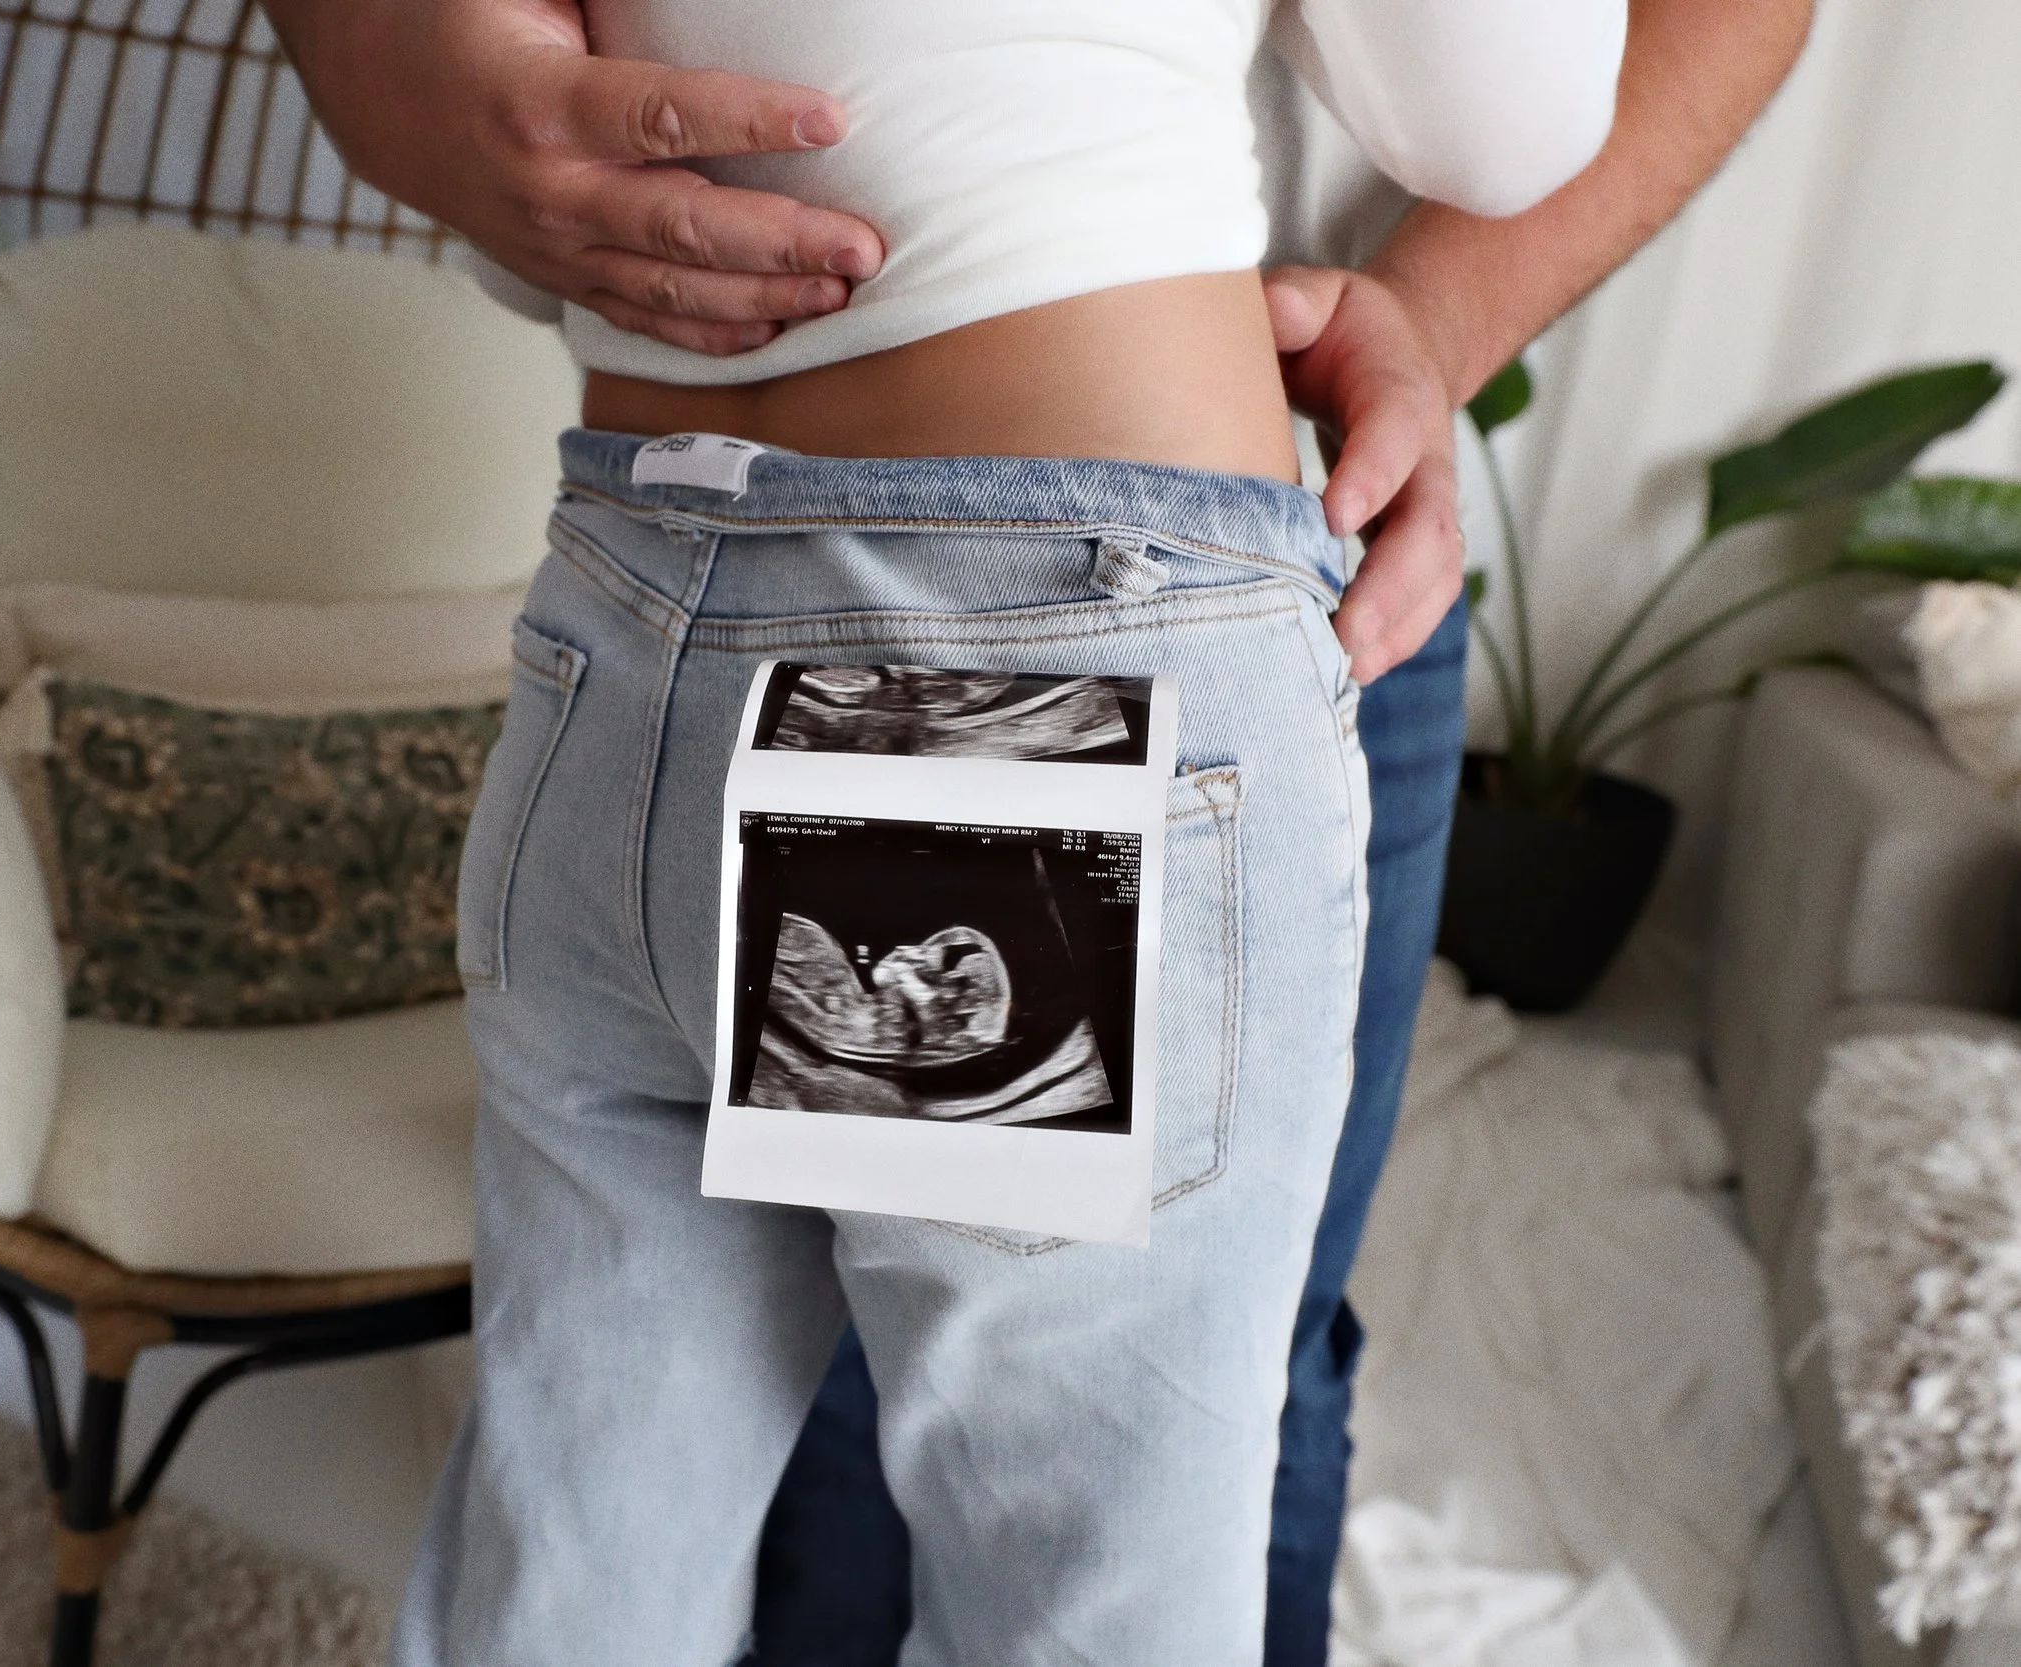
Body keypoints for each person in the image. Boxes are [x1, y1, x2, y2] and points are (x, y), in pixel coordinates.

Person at [262, 1, 1812, 1659]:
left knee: (569, 1576)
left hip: (636, 610)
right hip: (1021, 654)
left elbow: (539, 205)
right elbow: (1500, 124)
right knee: (1082, 1599)